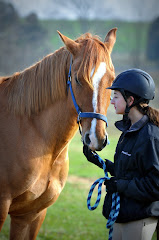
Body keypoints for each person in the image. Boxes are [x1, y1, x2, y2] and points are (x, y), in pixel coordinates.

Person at [83, 69, 159, 240]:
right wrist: (99, 162)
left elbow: (155, 185)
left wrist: (120, 186)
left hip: (140, 217)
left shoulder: (150, 137)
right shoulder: (129, 129)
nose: (111, 102)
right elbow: (130, 171)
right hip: (123, 214)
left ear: (130, 100)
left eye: (116, 96)